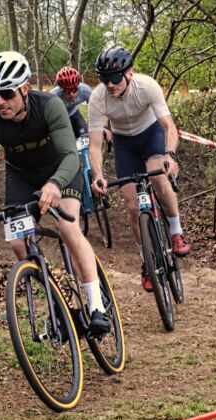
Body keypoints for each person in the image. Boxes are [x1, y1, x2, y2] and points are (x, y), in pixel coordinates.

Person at [0, 51, 109, 334]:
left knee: (67, 227)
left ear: (25, 88)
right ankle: (59, 301)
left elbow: (70, 156)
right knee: (17, 243)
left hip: (61, 168)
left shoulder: (50, 105)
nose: (0, 101)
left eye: (7, 93)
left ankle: (97, 306)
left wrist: (54, 184)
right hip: (21, 176)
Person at [86, 46, 189, 292]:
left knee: (160, 180)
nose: (109, 85)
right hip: (124, 144)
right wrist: (98, 175)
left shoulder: (147, 86)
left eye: (114, 78)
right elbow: (95, 145)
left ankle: (176, 231)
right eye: (104, 79)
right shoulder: (98, 98)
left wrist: (170, 155)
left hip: (151, 135)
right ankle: (147, 262)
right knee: (133, 207)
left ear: (129, 73)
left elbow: (168, 126)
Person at [50, 66, 92, 138]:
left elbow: (96, 111)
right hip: (59, 118)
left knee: (85, 136)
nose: (72, 94)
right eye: (67, 91)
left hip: (74, 113)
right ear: (61, 89)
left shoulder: (86, 91)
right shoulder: (53, 96)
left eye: (74, 89)